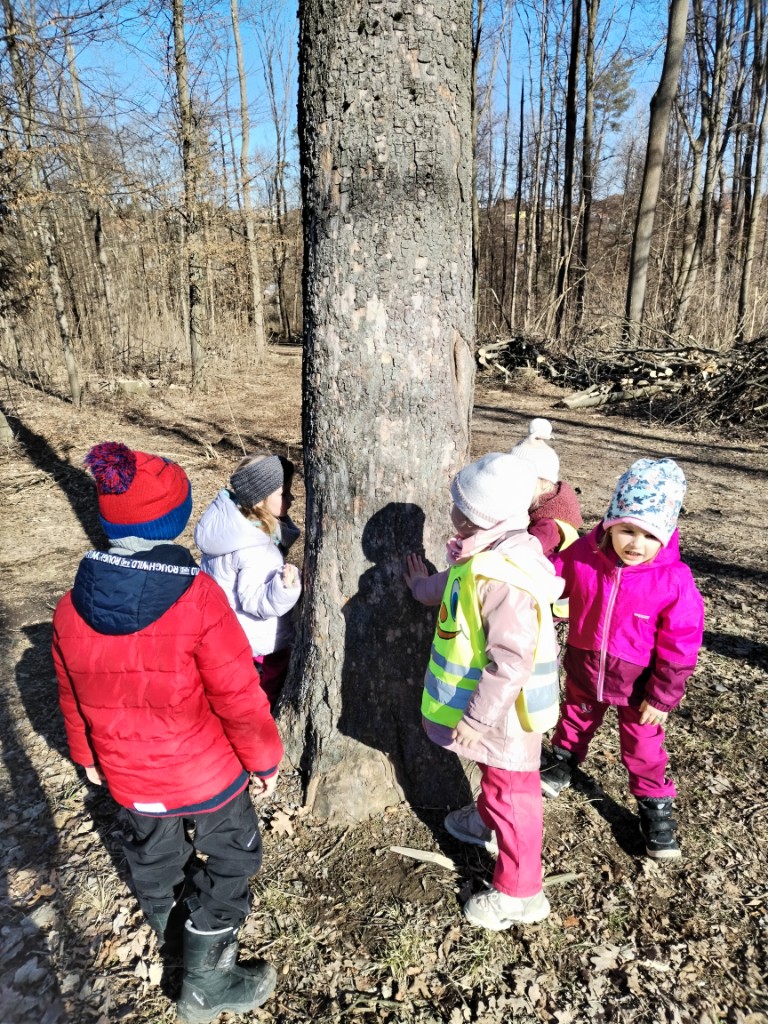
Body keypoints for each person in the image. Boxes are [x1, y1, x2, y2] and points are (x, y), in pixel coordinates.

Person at [52, 442, 283, 1023]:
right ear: (173, 522)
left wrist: (87, 757)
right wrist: (264, 758)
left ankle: (175, 938)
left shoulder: (70, 607)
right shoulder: (198, 596)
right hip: (208, 775)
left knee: (154, 861)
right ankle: (206, 980)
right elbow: (236, 692)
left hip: (132, 780)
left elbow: (71, 694)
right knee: (232, 859)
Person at [405, 452, 565, 932]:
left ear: (478, 516)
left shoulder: (503, 576)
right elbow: (456, 584)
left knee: (513, 795)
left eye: (458, 505)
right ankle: (485, 821)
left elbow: (510, 661)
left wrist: (476, 720)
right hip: (495, 710)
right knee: (498, 783)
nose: (451, 510)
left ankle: (521, 893)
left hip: (504, 714)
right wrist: (421, 587)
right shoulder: (489, 552)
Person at [540, 457, 705, 860]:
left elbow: (682, 642)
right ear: (610, 525)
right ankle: (563, 761)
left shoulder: (673, 580)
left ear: (666, 535)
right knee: (575, 718)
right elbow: (551, 575)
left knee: (644, 748)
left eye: (649, 535)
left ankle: (654, 806)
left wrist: (662, 696)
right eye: (627, 530)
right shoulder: (584, 555)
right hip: (586, 667)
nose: (635, 544)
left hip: (641, 687)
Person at [195, 454, 301, 710]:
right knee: (266, 692)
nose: (292, 499)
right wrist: (286, 588)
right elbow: (255, 602)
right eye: (284, 493)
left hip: (232, 635)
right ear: (260, 498)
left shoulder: (230, 529)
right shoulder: (255, 547)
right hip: (260, 642)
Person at [509, 417, 583, 557]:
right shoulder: (541, 508)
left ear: (541, 482)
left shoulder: (547, 526)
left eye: (516, 481)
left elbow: (522, 556)